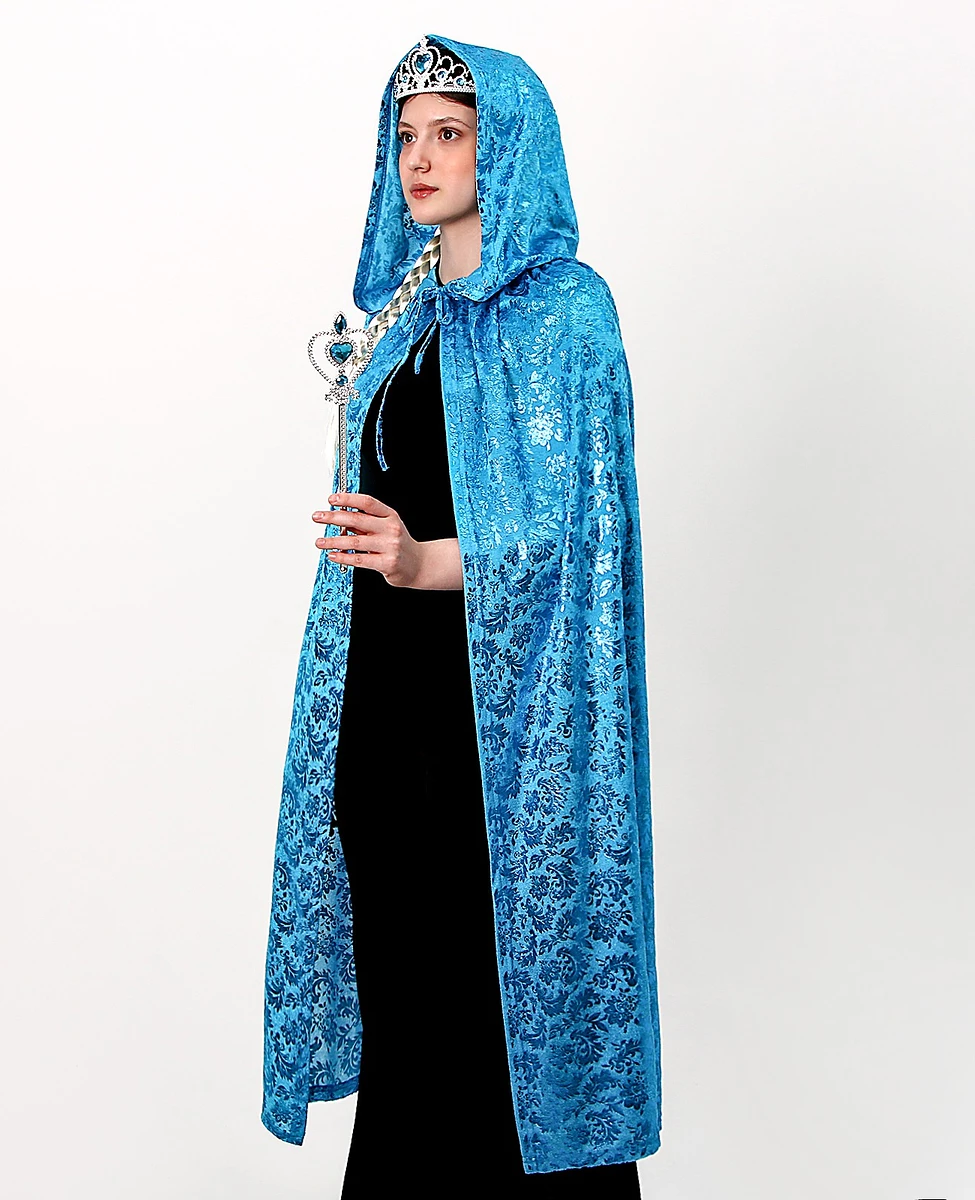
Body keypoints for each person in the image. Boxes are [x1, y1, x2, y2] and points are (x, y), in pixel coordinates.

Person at [262, 35, 661, 1195]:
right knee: (407, 1025)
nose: (421, 159)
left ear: (508, 146)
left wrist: (425, 558)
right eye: (406, 136)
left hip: (496, 740)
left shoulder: (568, 312)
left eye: (451, 132)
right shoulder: (401, 318)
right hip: (382, 723)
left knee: (497, 1021)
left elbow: (579, 534)